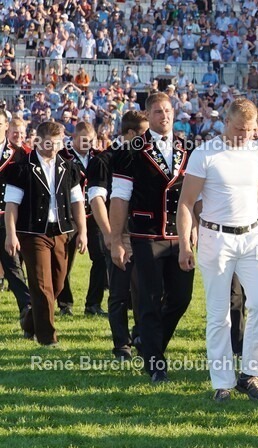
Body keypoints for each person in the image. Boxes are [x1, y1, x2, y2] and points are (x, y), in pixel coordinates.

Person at [176, 97, 258, 402]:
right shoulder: (205, 153)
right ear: (226, 123)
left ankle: (251, 374)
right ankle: (222, 381)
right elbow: (185, 202)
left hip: (252, 236)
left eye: (251, 129)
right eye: (240, 128)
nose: (246, 135)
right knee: (219, 313)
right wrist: (185, 243)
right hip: (214, 238)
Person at [109, 92, 193, 383]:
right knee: (149, 300)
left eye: (168, 110)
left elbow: (195, 196)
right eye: (157, 111)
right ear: (148, 115)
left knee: (182, 298)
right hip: (145, 235)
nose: (165, 116)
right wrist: (117, 239)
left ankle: (147, 343)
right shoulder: (130, 150)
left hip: (180, 236)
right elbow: (119, 198)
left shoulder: (187, 148)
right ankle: (156, 364)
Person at [2, 121, 87, 346]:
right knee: (41, 286)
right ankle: (47, 338)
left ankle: (29, 322)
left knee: (57, 285)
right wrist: (11, 234)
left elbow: (78, 202)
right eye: (48, 142)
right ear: (38, 140)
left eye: (57, 142)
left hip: (62, 232)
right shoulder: (20, 168)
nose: (53, 146)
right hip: (33, 233)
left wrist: (83, 232)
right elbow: (11, 206)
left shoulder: (70, 168)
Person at [86, 110, 148, 359]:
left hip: (143, 231)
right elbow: (97, 199)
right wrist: (111, 236)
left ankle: (141, 334)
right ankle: (121, 343)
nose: (149, 139)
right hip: (118, 231)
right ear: (131, 134)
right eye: (144, 134)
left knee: (146, 289)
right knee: (120, 291)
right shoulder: (104, 160)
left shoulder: (144, 158)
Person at [57, 121, 107, 317]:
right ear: (74, 138)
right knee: (64, 262)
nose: (87, 143)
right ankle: (65, 304)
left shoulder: (98, 157)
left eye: (90, 140)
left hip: (93, 215)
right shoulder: (62, 156)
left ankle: (93, 304)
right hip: (68, 215)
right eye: (83, 140)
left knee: (101, 258)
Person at [0, 114, 31, 335]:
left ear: (5, 127)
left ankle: (28, 309)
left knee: (12, 264)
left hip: (4, 216)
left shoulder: (19, 155)